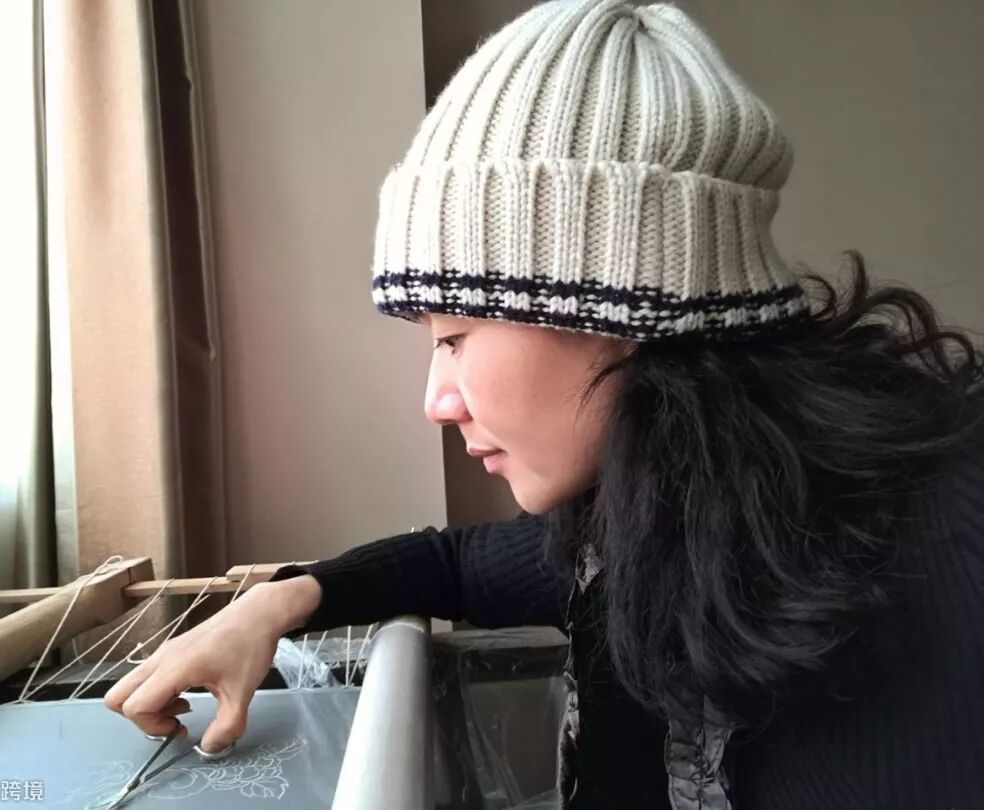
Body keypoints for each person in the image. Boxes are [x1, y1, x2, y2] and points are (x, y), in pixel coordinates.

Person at [104, 1, 984, 807]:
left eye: (455, 336)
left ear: (618, 309)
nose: (437, 401)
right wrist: (270, 605)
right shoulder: (652, 506)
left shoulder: (940, 542)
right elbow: (451, 562)